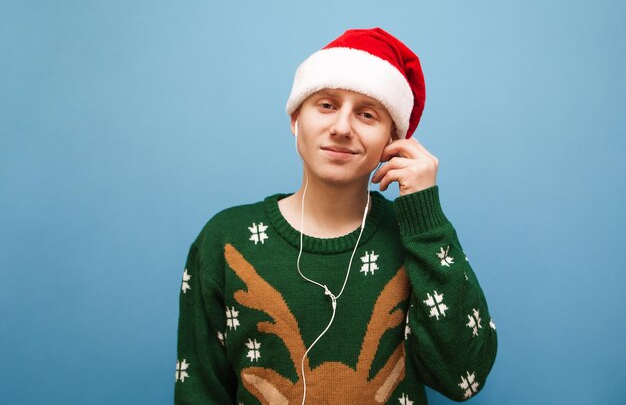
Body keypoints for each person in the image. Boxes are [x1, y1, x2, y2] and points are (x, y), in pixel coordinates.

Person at [174, 27, 497, 405]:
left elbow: (463, 378)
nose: (342, 128)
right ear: (296, 119)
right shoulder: (226, 239)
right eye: (326, 105)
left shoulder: (416, 237)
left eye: (367, 114)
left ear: (392, 141)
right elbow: (199, 390)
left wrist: (425, 216)